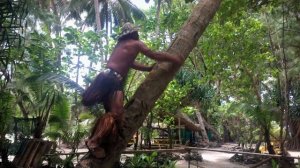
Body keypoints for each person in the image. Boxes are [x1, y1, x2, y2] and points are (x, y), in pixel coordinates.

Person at [82, 22, 183, 158]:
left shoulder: (121, 45)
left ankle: (99, 142)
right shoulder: (136, 43)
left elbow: (130, 63)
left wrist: (147, 68)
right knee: (117, 113)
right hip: (113, 79)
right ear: (133, 33)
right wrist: (174, 58)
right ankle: (94, 141)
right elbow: (154, 54)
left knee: (112, 115)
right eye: (136, 32)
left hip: (106, 77)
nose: (138, 34)